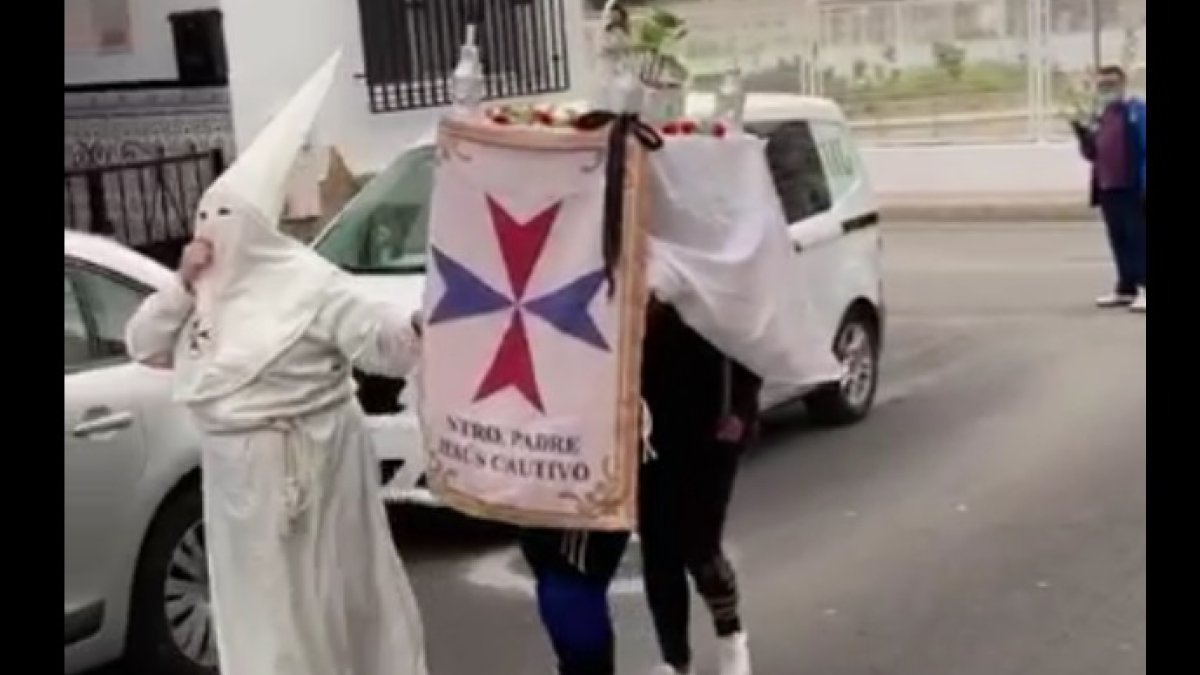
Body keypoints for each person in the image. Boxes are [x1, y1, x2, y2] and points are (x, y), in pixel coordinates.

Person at [124, 54, 429, 675]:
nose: (212, 231)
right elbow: (143, 342)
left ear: (257, 229)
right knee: (260, 620)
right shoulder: (204, 293)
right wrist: (183, 282)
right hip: (238, 489)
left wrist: (420, 328)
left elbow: (382, 345)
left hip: (315, 472)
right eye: (204, 217)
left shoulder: (310, 283)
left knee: (324, 606)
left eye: (225, 219)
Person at [639, 298, 759, 675]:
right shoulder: (638, 267)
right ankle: (675, 660)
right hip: (648, 431)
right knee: (659, 554)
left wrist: (739, 411)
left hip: (712, 430)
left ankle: (731, 635)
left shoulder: (716, 268)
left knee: (700, 547)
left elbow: (751, 347)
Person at [1070, 65, 1147, 313]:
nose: (1106, 90)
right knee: (1119, 239)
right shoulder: (1101, 117)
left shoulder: (1137, 113)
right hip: (1108, 187)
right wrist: (1083, 136)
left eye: (1111, 85)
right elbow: (1092, 154)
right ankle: (1126, 288)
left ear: (1123, 85)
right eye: (1102, 85)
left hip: (1131, 186)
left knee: (1138, 239)